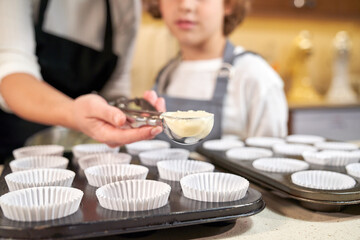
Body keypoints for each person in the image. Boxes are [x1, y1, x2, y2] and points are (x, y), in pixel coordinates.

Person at [0, 0, 164, 162]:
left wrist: (129, 117)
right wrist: (74, 112)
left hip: (77, 150)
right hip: (14, 144)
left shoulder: (126, 5)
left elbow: (115, 88)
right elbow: (12, 71)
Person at [146, 0, 288, 149]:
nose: (185, 5)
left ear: (228, 5)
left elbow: (268, 162)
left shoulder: (255, 75)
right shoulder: (166, 74)